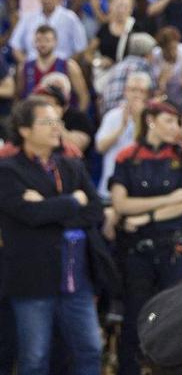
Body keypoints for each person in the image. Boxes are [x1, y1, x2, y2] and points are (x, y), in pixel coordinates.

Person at [0, 97, 104, 375]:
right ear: (24, 130)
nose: (56, 127)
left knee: (91, 349)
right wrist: (73, 201)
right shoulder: (7, 171)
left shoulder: (71, 166)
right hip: (32, 280)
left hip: (76, 278)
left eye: (58, 121)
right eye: (47, 122)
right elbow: (28, 214)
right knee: (35, 358)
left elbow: (95, 211)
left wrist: (49, 208)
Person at [110, 101, 182, 375]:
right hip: (137, 250)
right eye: (169, 121)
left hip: (175, 246)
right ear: (151, 120)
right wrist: (170, 199)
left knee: (176, 318)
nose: (175, 128)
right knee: (135, 317)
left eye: (177, 122)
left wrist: (146, 216)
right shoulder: (128, 156)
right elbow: (121, 204)